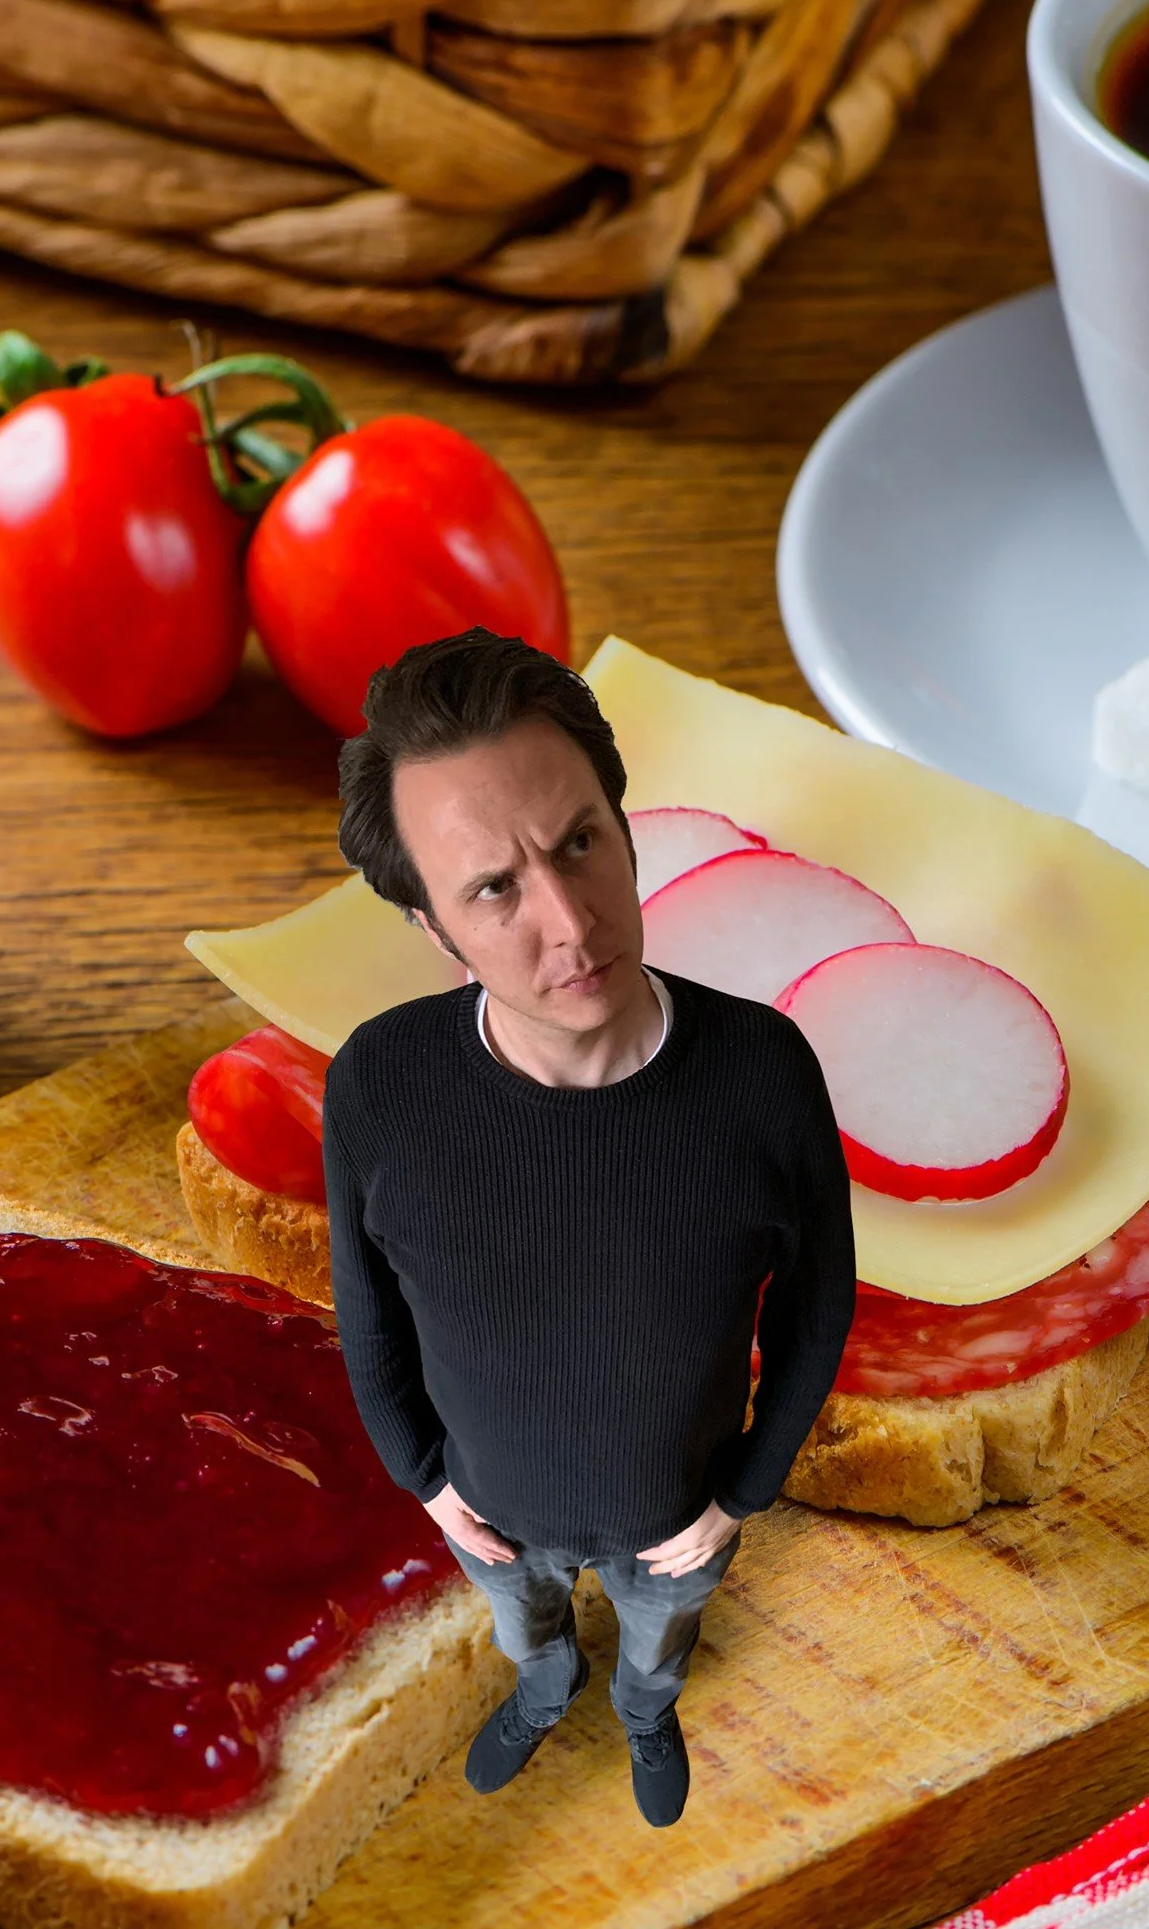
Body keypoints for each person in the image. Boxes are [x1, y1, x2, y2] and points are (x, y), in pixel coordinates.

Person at [321, 627, 855, 1828]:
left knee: (660, 1643)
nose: (569, 921)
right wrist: (420, 1478)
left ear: (622, 826)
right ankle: (546, 1683)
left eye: (579, 843)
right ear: (433, 929)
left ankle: (644, 1709)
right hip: (489, 1516)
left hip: (679, 1517)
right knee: (526, 1632)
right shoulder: (377, 1084)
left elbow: (821, 1301)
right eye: (494, 887)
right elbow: (366, 1311)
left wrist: (741, 1494)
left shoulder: (763, 1071)